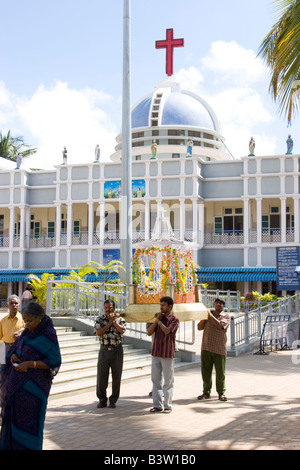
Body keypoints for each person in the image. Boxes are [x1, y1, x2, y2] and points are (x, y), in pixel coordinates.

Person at [0, 302, 61, 450]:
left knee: (30, 426)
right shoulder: (26, 333)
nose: (26, 324)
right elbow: (13, 349)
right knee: (14, 423)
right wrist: (13, 355)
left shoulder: (48, 335)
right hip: (17, 390)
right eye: (25, 320)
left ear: (39, 318)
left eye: (30, 321)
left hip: (34, 392)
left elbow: (54, 360)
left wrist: (30, 364)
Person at [147, 296, 179, 413]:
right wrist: (156, 321)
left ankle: (168, 405)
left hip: (167, 353)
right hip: (156, 352)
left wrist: (159, 321)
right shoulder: (156, 318)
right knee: (155, 380)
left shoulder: (174, 320)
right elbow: (149, 332)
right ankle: (157, 405)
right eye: (160, 305)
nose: (161, 307)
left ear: (170, 307)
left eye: (163, 305)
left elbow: (167, 331)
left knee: (168, 381)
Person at [94, 299, 126, 409]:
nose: (108, 310)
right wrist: (109, 323)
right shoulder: (100, 319)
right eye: (106, 308)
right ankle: (102, 400)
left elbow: (122, 330)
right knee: (102, 376)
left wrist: (114, 322)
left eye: (110, 308)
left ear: (114, 308)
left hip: (117, 350)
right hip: (104, 350)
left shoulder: (120, 319)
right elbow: (98, 332)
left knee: (117, 376)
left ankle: (113, 400)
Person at [197, 298, 230, 402]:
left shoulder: (225, 316)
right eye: (217, 303)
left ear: (223, 306)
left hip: (219, 348)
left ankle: (221, 392)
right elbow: (199, 327)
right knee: (205, 372)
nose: (218, 305)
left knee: (220, 373)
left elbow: (220, 325)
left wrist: (210, 316)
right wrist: (204, 317)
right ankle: (206, 392)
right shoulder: (208, 315)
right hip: (206, 347)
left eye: (221, 303)